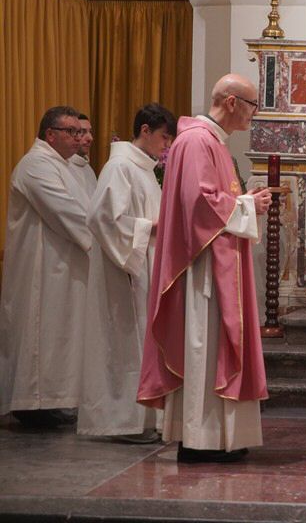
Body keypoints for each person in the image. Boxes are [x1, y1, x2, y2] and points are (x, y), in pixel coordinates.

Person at [137, 74, 272, 463]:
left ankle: (219, 436)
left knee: (211, 346)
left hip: (216, 260)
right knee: (206, 345)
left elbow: (211, 199)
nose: (252, 115)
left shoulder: (208, 141)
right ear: (231, 103)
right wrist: (247, 206)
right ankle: (201, 438)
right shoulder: (198, 140)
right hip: (204, 271)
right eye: (251, 106)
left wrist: (243, 202)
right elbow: (198, 203)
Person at [78, 103, 177, 442]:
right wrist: (151, 228)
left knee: (142, 342)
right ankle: (122, 421)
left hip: (142, 264)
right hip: (125, 268)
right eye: (164, 137)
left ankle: (144, 419)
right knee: (123, 343)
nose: (167, 145)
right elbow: (101, 217)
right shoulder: (119, 166)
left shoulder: (144, 169)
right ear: (145, 131)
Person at [0, 106, 93, 427]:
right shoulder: (36, 165)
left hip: (64, 265)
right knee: (41, 330)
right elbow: (69, 212)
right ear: (50, 134)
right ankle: (32, 402)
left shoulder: (66, 165)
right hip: (42, 269)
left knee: (60, 332)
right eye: (72, 132)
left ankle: (54, 399)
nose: (79, 138)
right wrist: (110, 244)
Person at [69, 112, 98, 196]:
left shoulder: (88, 169)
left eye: (90, 132)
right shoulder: (62, 166)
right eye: (82, 132)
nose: (90, 138)